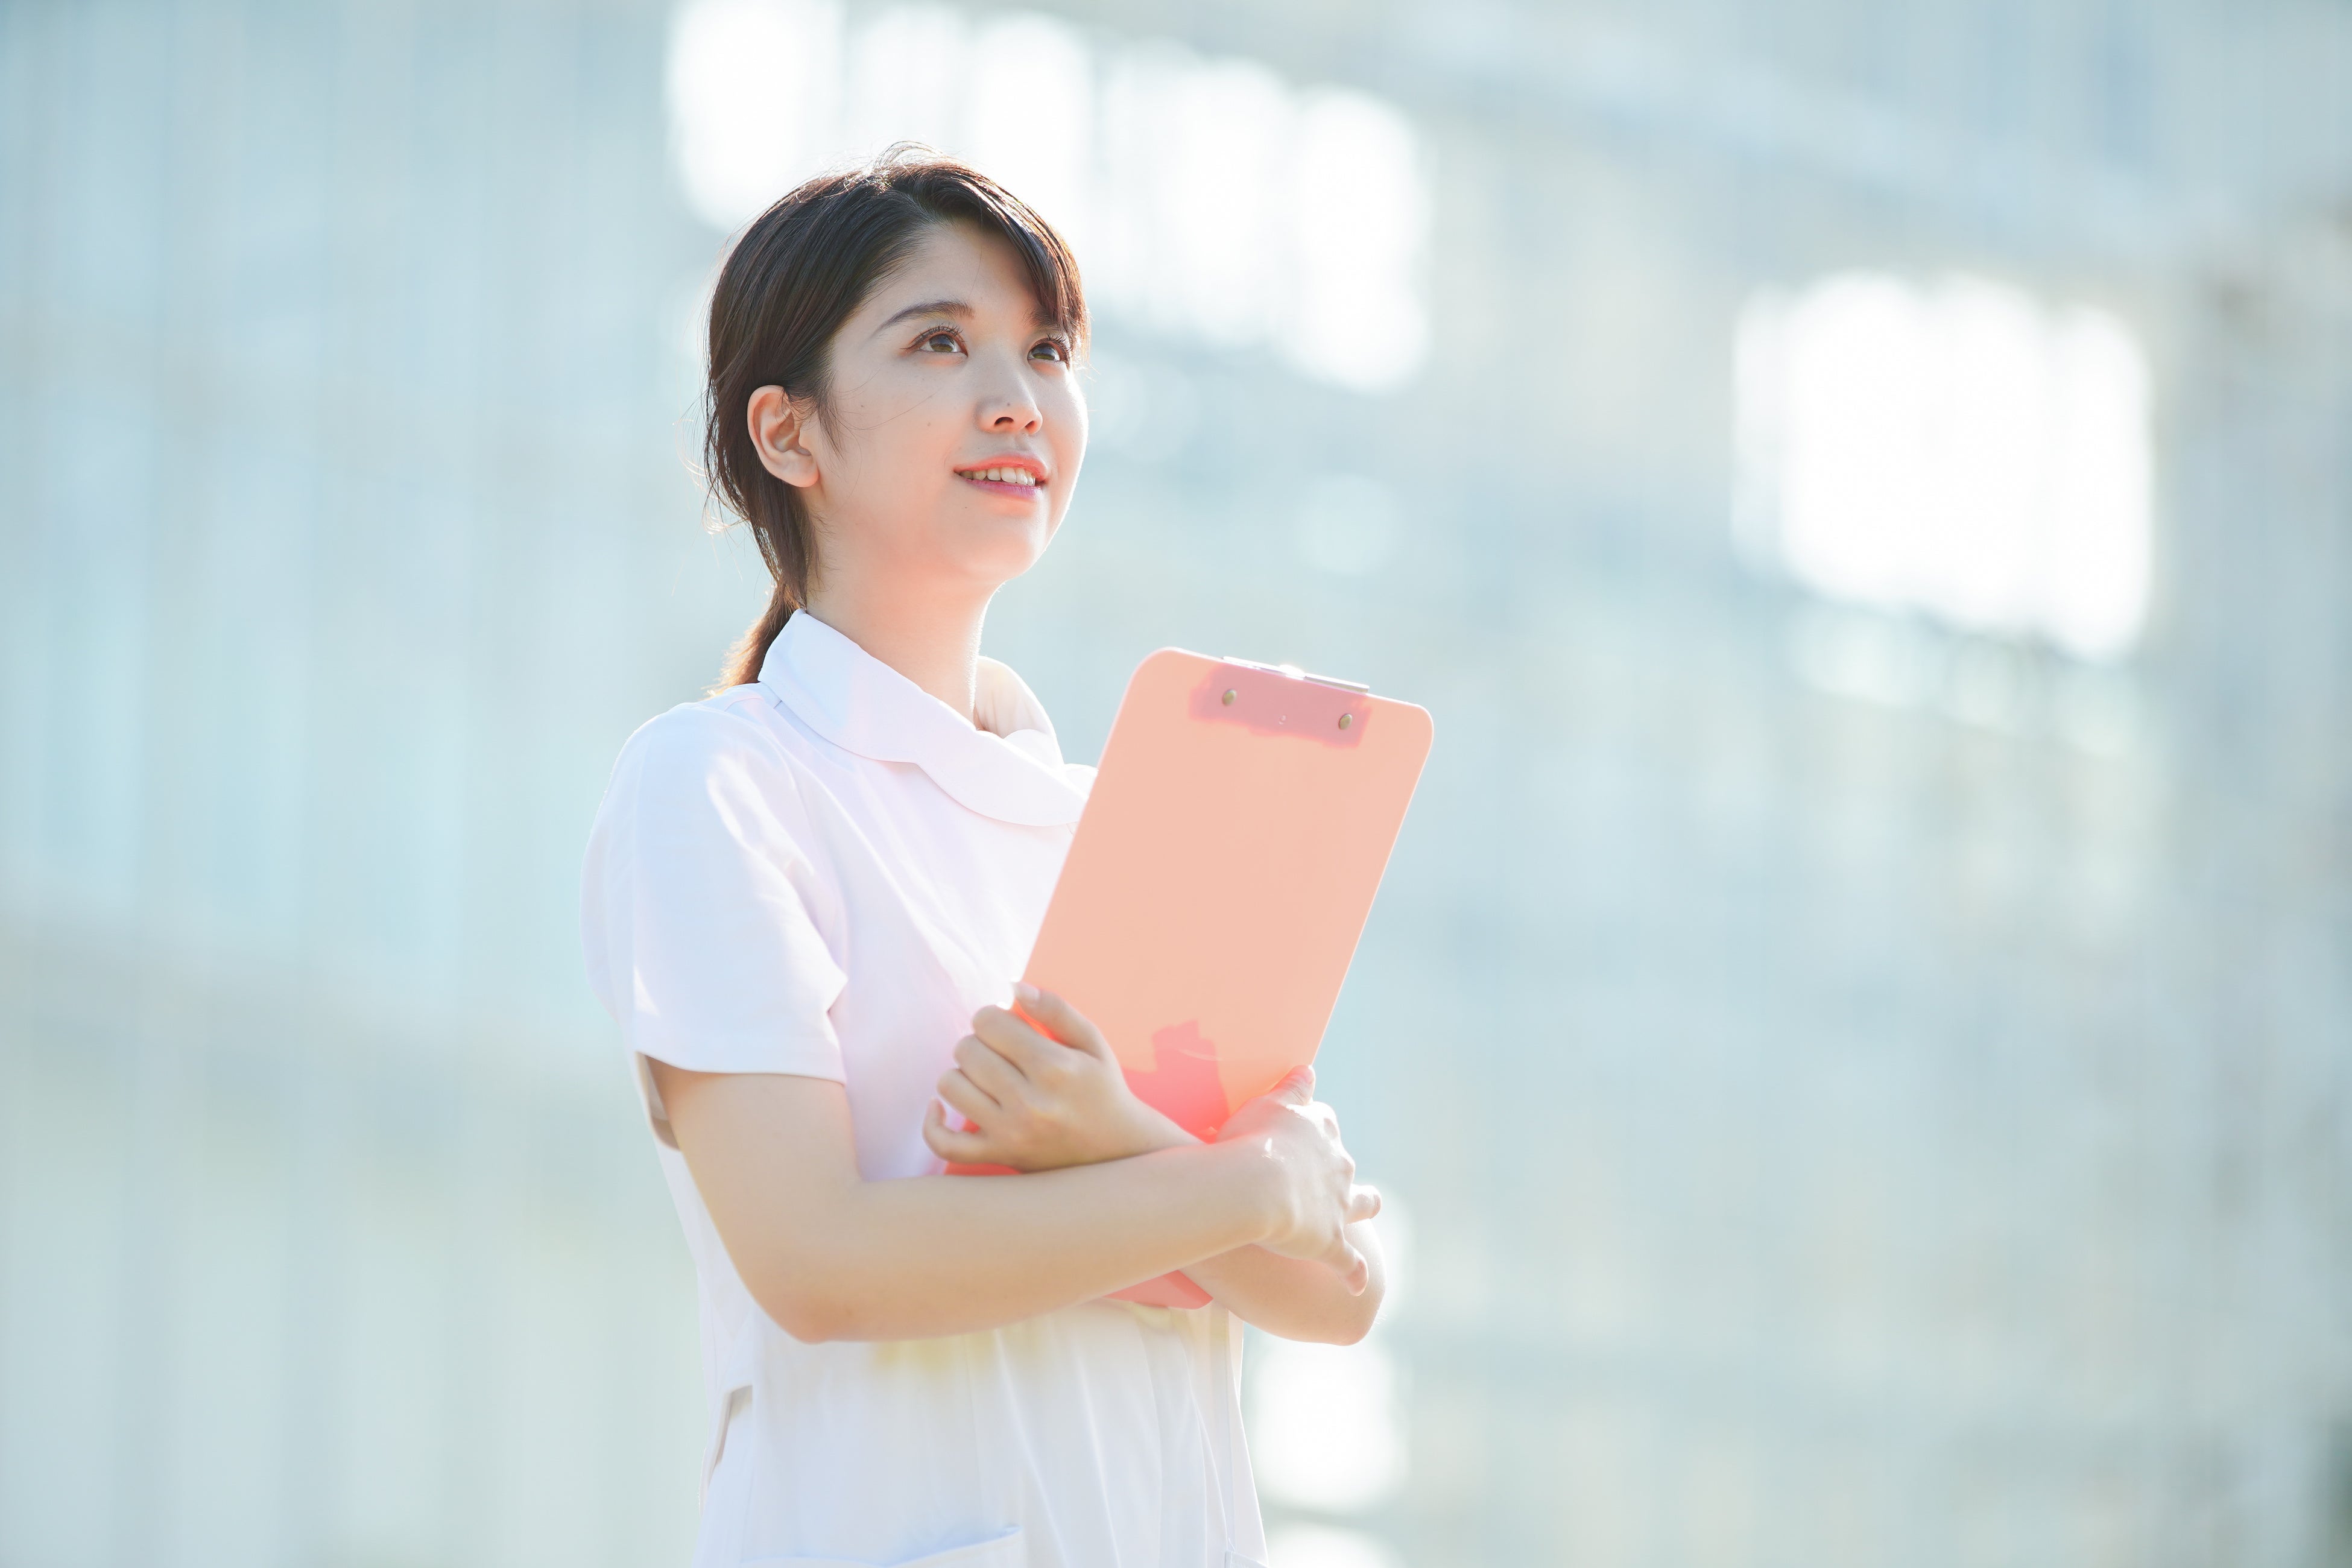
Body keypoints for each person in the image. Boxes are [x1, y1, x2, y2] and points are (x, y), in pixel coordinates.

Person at [580, 150, 1386, 1568]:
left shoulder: (1136, 821)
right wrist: (1234, 1189)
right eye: (939, 341)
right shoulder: (720, 784)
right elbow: (819, 1260)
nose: (1017, 395)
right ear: (789, 434)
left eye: (1047, 348)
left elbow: (1338, 1284)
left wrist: (1124, 1143)